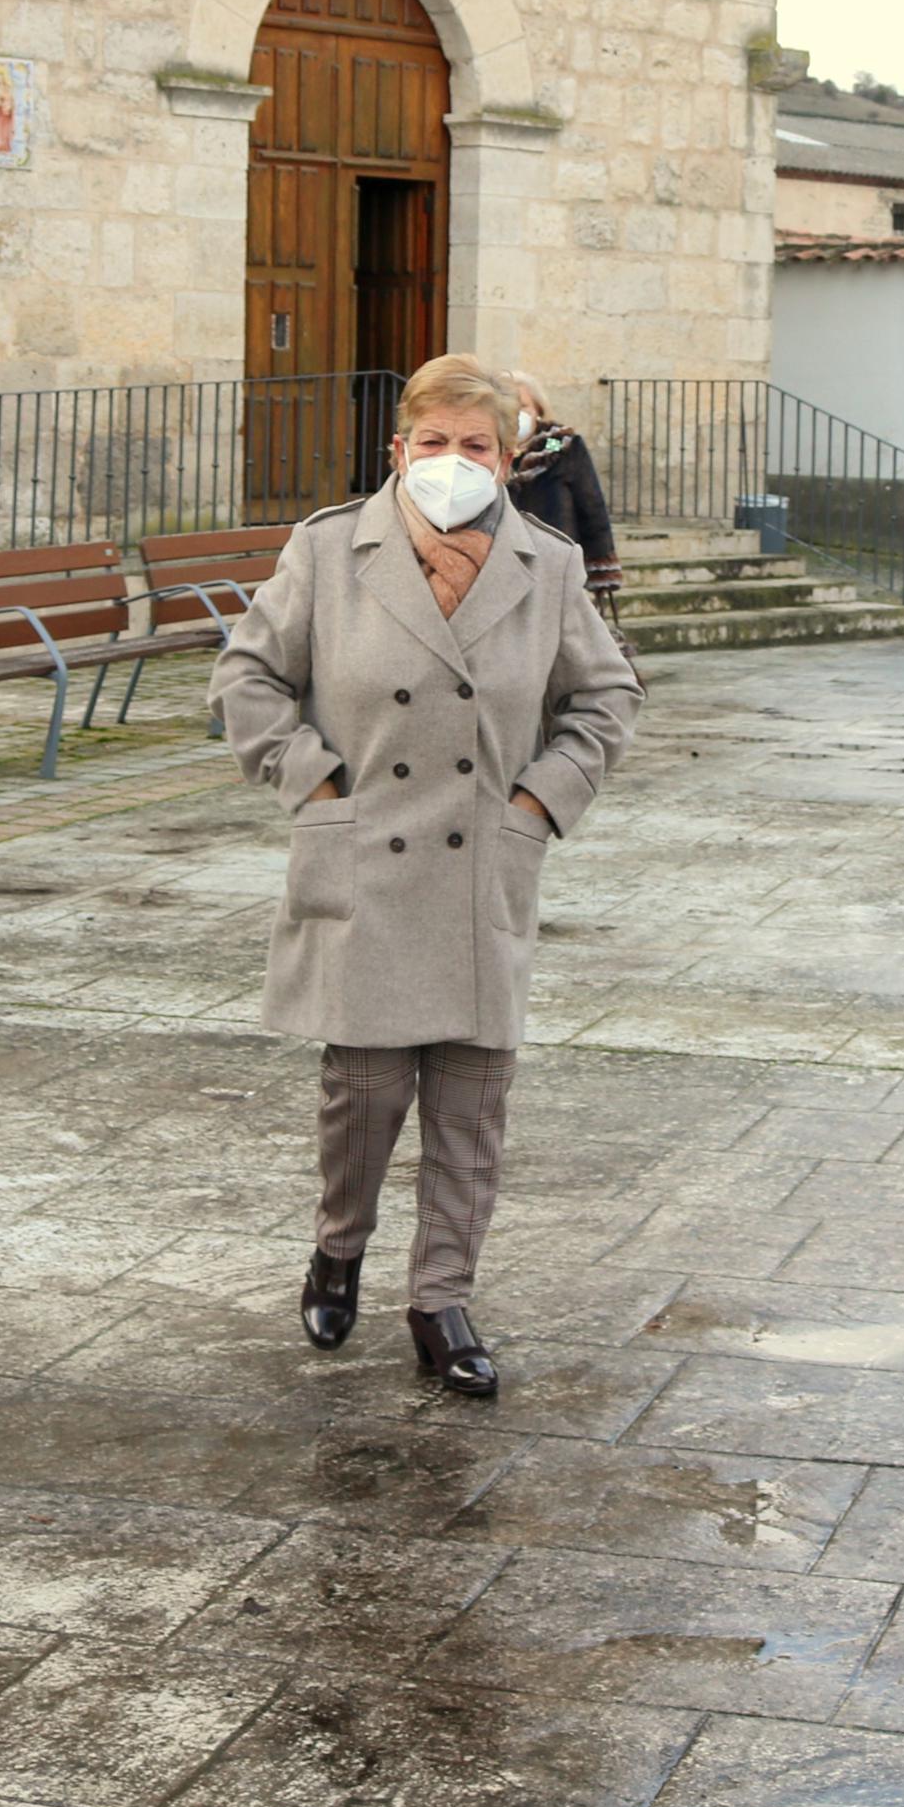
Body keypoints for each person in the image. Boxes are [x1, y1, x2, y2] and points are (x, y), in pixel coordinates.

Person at [213, 352, 641, 1400]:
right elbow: (249, 676)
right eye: (435, 442)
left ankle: (441, 1297)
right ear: (396, 449)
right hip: (363, 856)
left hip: (482, 862)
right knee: (359, 1097)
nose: (454, 462)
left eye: (477, 445)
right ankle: (338, 1245)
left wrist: (538, 804)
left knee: (470, 1098)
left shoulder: (546, 564)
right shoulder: (328, 550)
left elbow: (606, 695)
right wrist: (314, 786)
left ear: (510, 457)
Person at [501, 373, 621, 604]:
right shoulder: (486, 452)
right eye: (509, 406)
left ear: (538, 409)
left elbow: (591, 505)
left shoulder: (561, 447)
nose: (516, 414)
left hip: (556, 565)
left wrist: (601, 567)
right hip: (506, 568)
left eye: (523, 406)